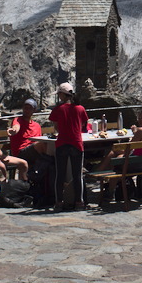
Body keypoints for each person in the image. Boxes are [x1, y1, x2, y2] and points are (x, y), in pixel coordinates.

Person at [49, 82, 89, 210]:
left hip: (61, 143)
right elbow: (83, 124)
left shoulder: (58, 109)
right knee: (77, 174)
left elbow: (56, 126)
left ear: (62, 94)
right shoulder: (80, 108)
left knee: (60, 174)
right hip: (76, 143)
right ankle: (79, 202)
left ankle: (59, 202)